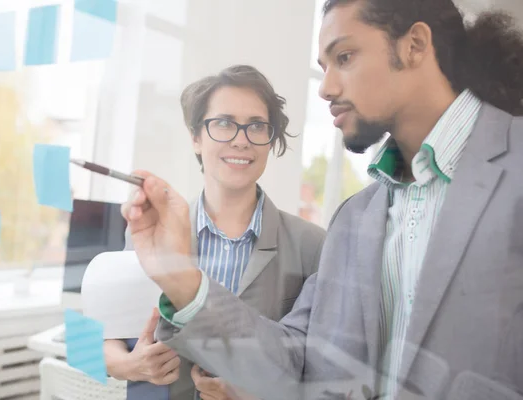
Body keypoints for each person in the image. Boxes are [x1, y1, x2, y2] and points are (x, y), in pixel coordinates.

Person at [121, 0, 523, 399]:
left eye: (344, 57)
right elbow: (298, 365)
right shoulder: (355, 219)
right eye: (324, 65)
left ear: (414, 45)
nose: (326, 88)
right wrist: (182, 281)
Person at [103, 65, 326, 399]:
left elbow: (321, 367)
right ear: (196, 137)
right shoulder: (150, 232)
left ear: (270, 141)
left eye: (256, 126)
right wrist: (129, 366)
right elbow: (96, 339)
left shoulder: (313, 245)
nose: (240, 139)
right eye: (223, 123)